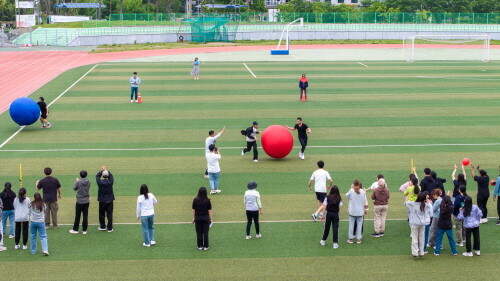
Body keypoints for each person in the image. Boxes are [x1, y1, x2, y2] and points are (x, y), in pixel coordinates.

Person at [405, 192, 432, 257]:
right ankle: (421, 252)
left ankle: (415, 252)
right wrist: (427, 200)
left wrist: (408, 195)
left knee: (414, 238)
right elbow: (430, 211)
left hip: (414, 223)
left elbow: (405, 202)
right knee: (421, 238)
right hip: (422, 223)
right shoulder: (425, 205)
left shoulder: (413, 204)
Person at [346, 180, 368, 244]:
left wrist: (351, 188)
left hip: (352, 211)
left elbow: (347, 196)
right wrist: (365, 210)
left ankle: (351, 239)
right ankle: (358, 239)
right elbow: (364, 201)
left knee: (351, 225)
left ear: (354, 185)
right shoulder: (363, 192)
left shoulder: (351, 191)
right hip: (360, 212)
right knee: (359, 226)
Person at [96, 166, 115, 232]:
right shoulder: (110, 182)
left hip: (102, 201)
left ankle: (103, 226)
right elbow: (111, 176)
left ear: (103, 176)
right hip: (109, 200)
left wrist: (102, 171)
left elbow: (97, 176)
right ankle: (109, 228)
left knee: (101, 214)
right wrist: (106, 170)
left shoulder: (100, 183)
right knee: (109, 214)